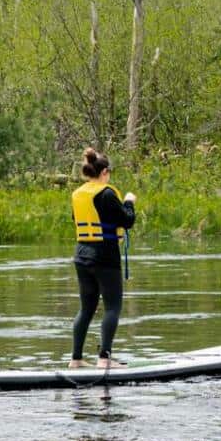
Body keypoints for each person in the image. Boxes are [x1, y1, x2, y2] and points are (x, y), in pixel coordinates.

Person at [69, 148, 136, 369]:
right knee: (112, 308)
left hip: (82, 255)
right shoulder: (106, 194)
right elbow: (127, 221)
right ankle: (105, 358)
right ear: (105, 172)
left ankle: (76, 359)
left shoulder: (78, 194)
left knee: (86, 308)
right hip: (105, 256)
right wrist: (128, 202)